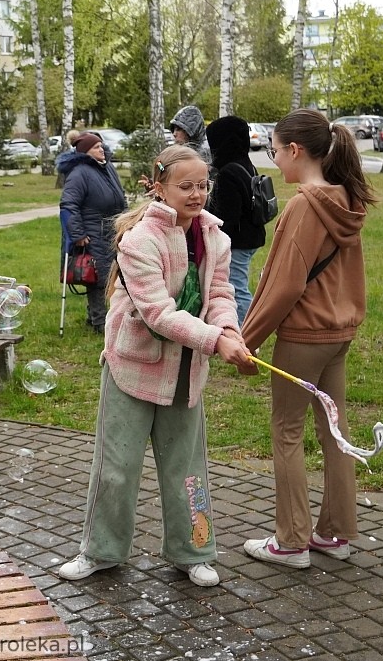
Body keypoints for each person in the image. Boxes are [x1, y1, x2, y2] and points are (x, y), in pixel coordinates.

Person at [57, 144, 249, 587]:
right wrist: (217, 340)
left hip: (187, 373)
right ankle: (100, 551)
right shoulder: (139, 240)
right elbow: (158, 312)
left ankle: (194, 551)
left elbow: (220, 295)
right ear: (159, 187)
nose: (197, 193)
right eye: (185, 186)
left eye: (203, 185)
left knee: (189, 470)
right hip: (132, 368)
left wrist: (230, 329)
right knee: (116, 467)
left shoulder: (217, 238)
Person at [236, 108, 378, 568]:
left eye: (275, 151)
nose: (274, 160)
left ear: (295, 150)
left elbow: (286, 285)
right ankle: (335, 534)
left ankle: (291, 541)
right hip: (339, 333)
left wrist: (247, 340)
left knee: (287, 432)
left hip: (303, 335)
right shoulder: (344, 198)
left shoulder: (304, 204)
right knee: (334, 430)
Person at [58, 132, 126, 333]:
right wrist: (77, 234)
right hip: (92, 233)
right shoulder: (79, 173)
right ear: (86, 152)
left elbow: (119, 197)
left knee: (113, 275)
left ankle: (97, 316)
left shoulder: (107, 168)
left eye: (102, 146)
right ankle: (99, 322)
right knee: (97, 278)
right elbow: (68, 205)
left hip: (111, 231)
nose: (101, 149)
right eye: (96, 147)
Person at [206, 115, 267, 323]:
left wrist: (214, 238)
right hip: (251, 235)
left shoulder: (227, 172)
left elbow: (227, 217)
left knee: (235, 287)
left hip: (238, 240)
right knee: (237, 283)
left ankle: (246, 334)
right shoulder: (245, 164)